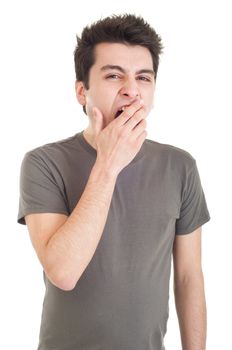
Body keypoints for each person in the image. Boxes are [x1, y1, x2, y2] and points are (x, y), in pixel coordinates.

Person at [17, 13, 211, 350]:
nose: (131, 91)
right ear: (82, 92)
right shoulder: (44, 163)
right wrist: (108, 163)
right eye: (113, 76)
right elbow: (63, 271)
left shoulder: (180, 166)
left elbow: (188, 276)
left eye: (143, 78)